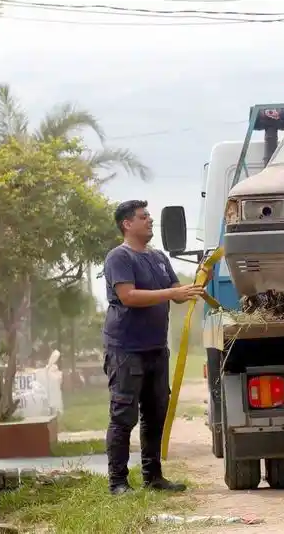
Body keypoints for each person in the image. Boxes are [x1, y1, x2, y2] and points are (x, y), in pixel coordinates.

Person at [102, 199, 204, 495]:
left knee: (155, 413)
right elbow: (129, 296)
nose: (150, 220)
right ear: (127, 224)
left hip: (156, 349)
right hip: (125, 350)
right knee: (123, 415)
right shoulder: (118, 258)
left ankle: (153, 477)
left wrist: (199, 278)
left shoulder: (158, 257)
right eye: (143, 217)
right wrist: (173, 291)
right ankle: (118, 483)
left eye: (149, 216)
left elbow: (177, 295)